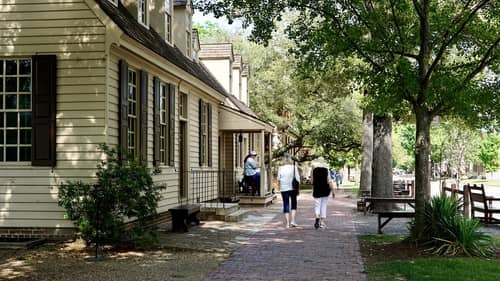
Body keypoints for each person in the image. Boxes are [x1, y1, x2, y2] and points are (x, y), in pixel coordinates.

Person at [277, 153, 300, 228]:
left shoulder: (280, 168)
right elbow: (297, 178)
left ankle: (287, 223)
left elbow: (278, 179)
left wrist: (279, 187)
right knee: (294, 204)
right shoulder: (294, 167)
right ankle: (293, 221)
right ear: (290, 159)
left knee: (286, 204)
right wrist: (298, 188)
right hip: (293, 188)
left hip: (284, 188)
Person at [312, 157, 335, 229]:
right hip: (325, 190)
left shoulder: (314, 170)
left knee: (317, 205)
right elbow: (329, 181)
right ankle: (321, 223)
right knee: (323, 206)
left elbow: (312, 181)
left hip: (316, 190)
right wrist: (333, 191)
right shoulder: (326, 170)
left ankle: (317, 218)